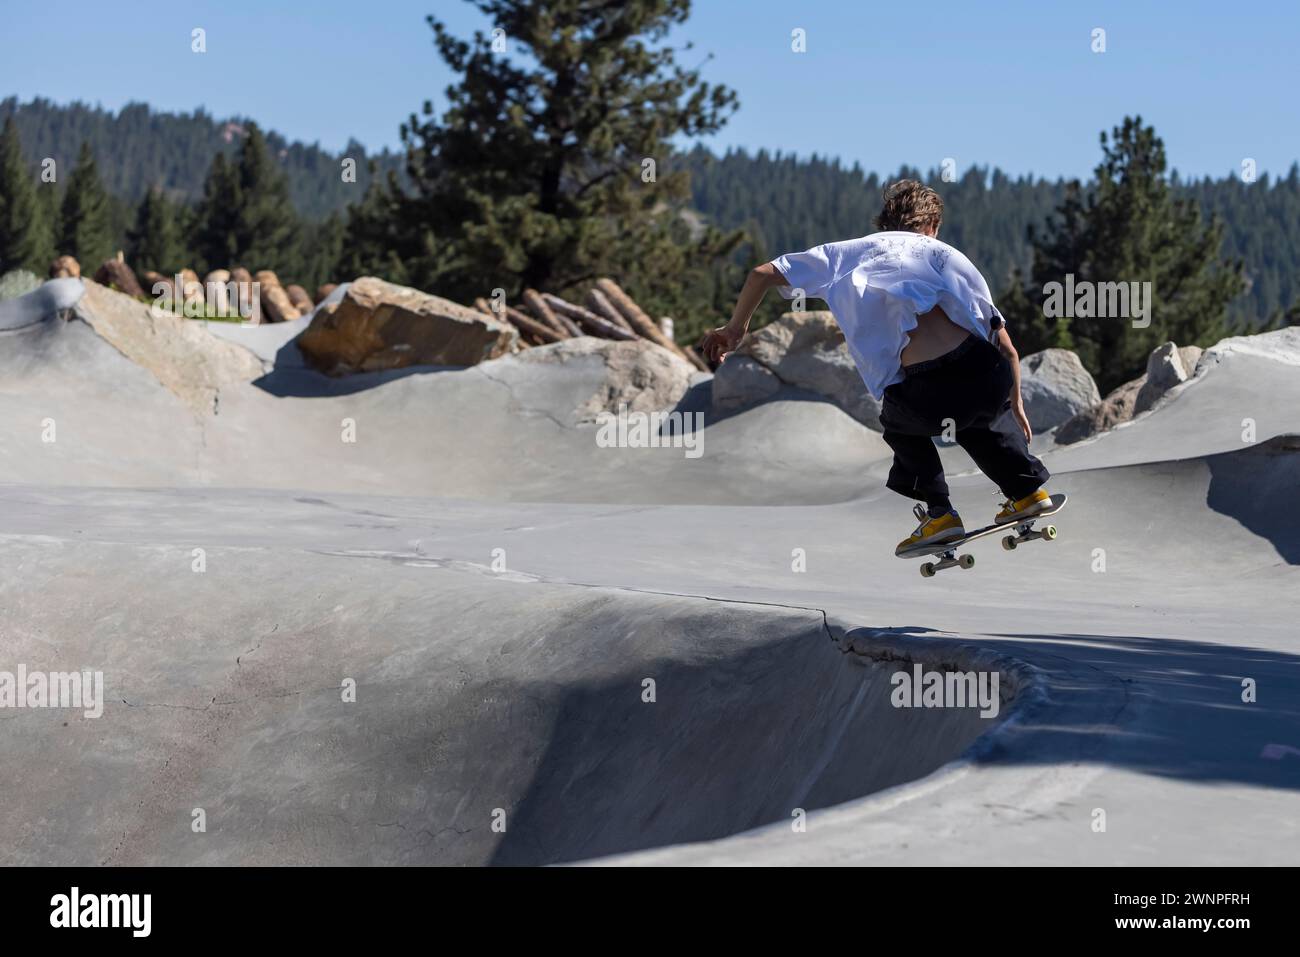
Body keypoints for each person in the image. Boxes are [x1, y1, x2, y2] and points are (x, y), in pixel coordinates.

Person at [701, 179, 1053, 554]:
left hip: (928, 390)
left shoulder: (850, 253)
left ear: (885, 223)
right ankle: (1027, 491)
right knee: (980, 417)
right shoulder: (946, 255)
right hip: (985, 372)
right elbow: (1006, 346)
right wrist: (1013, 402)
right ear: (933, 226)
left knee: (900, 422)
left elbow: (761, 274)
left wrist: (735, 328)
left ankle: (940, 513)